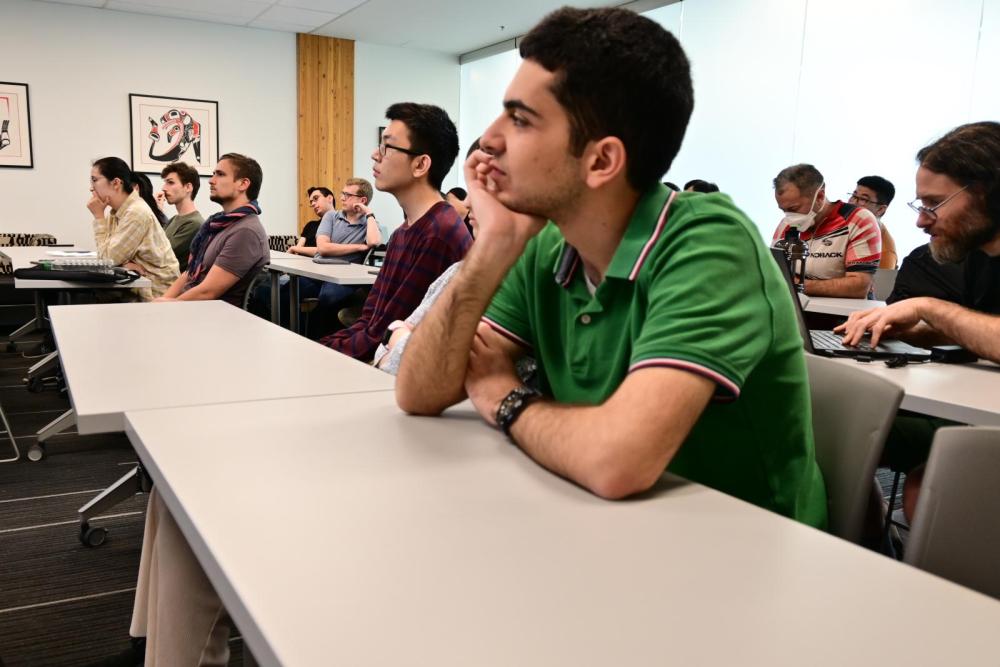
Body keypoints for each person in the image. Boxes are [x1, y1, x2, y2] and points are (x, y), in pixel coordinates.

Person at [396, 8, 826, 524]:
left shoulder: (710, 242)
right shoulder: (545, 242)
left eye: (520, 119)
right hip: (602, 526)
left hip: (744, 555)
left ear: (601, 161)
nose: (488, 140)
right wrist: (491, 245)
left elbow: (615, 461)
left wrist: (505, 399)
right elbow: (418, 392)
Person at [837, 121, 1000, 520]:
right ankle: (871, 539)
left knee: (927, 489)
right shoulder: (981, 256)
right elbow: (982, 329)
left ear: (987, 194)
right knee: (840, 417)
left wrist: (930, 309)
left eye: (933, 204)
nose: (921, 221)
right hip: (980, 415)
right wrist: (912, 328)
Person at [317, 102, 472, 360]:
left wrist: (318, 354)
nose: (375, 155)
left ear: (421, 165)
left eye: (386, 146)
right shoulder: (404, 232)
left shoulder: (439, 234)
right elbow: (370, 319)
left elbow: (384, 337)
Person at [154, 153, 269, 306]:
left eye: (220, 174)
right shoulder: (217, 224)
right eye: (213, 174)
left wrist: (170, 305)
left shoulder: (246, 231)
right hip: (191, 308)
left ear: (243, 184)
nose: (211, 181)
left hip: (212, 316)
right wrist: (164, 300)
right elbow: (189, 273)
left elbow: (208, 292)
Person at [772, 164, 881, 297]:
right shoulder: (786, 224)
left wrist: (796, 286)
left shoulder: (858, 220)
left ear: (820, 196)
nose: (789, 217)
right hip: (796, 308)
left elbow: (860, 286)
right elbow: (774, 273)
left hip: (840, 314)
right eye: (784, 210)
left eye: (794, 209)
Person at [87, 156, 179, 301]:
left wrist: (99, 217)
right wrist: (124, 262)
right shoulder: (116, 211)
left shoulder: (136, 212)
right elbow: (108, 256)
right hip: (135, 286)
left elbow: (106, 259)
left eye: (95, 180)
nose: (91, 187)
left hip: (155, 295)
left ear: (116, 183)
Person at [160, 161, 205, 271]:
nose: (164, 188)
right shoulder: (173, 220)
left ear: (188, 187)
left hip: (172, 285)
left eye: (170, 183)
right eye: (165, 183)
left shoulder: (194, 223)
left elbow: (159, 255)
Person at [850, 175, 898, 268]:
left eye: (863, 199)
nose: (852, 202)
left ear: (880, 209)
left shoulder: (885, 252)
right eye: (854, 196)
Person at [285, 186, 333, 256]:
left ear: (329, 198)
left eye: (316, 198)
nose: (313, 204)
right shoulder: (310, 225)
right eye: (311, 202)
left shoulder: (340, 223)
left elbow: (327, 250)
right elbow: (298, 250)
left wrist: (294, 248)